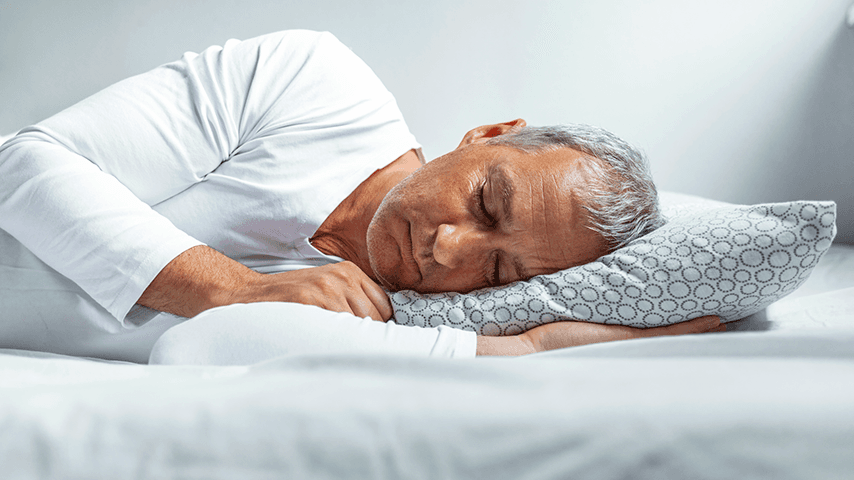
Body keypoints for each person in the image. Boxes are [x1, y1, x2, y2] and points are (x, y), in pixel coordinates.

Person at [0, 30, 723, 364]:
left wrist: (577, 342)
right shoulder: (313, 83)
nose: (449, 248)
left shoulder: (400, 323)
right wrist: (240, 290)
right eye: (484, 201)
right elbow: (24, 163)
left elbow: (520, 345)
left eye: (499, 270)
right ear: (488, 134)